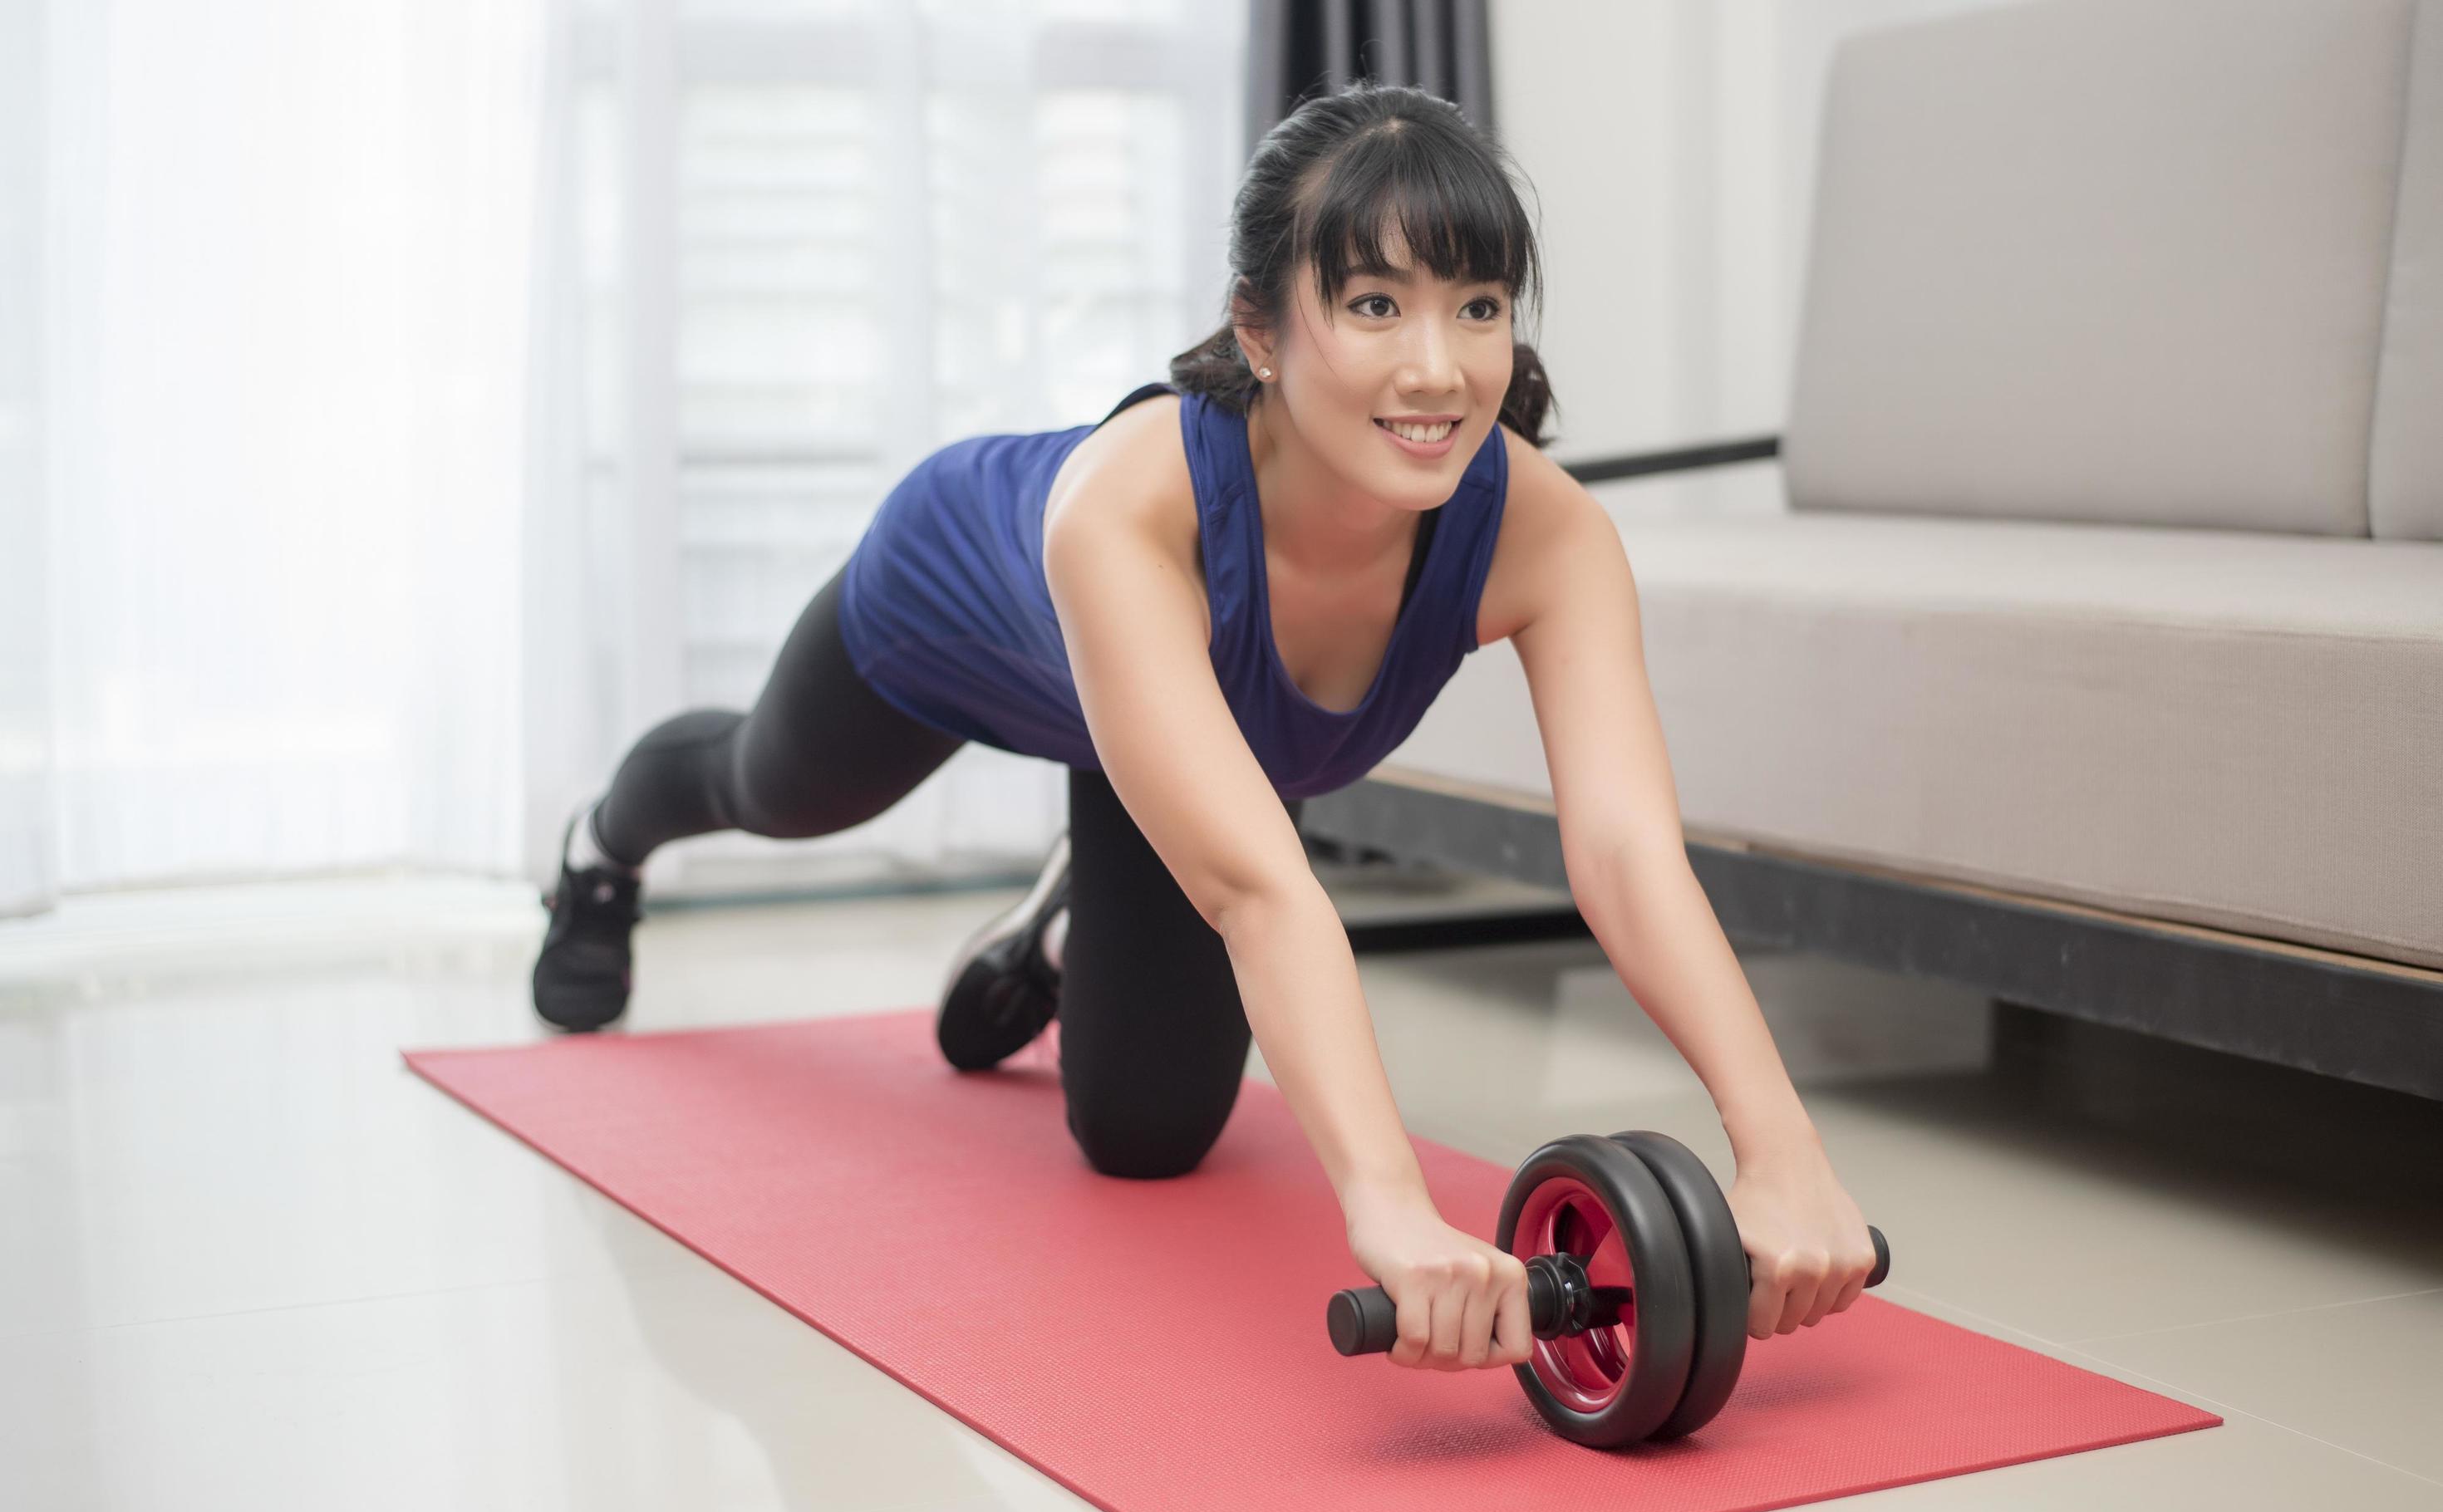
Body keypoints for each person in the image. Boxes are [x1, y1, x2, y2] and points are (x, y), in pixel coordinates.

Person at [532, 81, 1879, 1379]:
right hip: (964, 603)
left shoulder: (1546, 531)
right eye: (1371, 304)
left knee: (1145, 1134)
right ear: (1259, 330)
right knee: (773, 784)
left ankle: (1088, 876)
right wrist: (1394, 1207)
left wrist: (1780, 1147)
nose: (1437, 366)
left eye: (1478, 307)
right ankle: (599, 851)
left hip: (1176, 713)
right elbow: (1261, 891)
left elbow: (1630, 854)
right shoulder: (1126, 510)